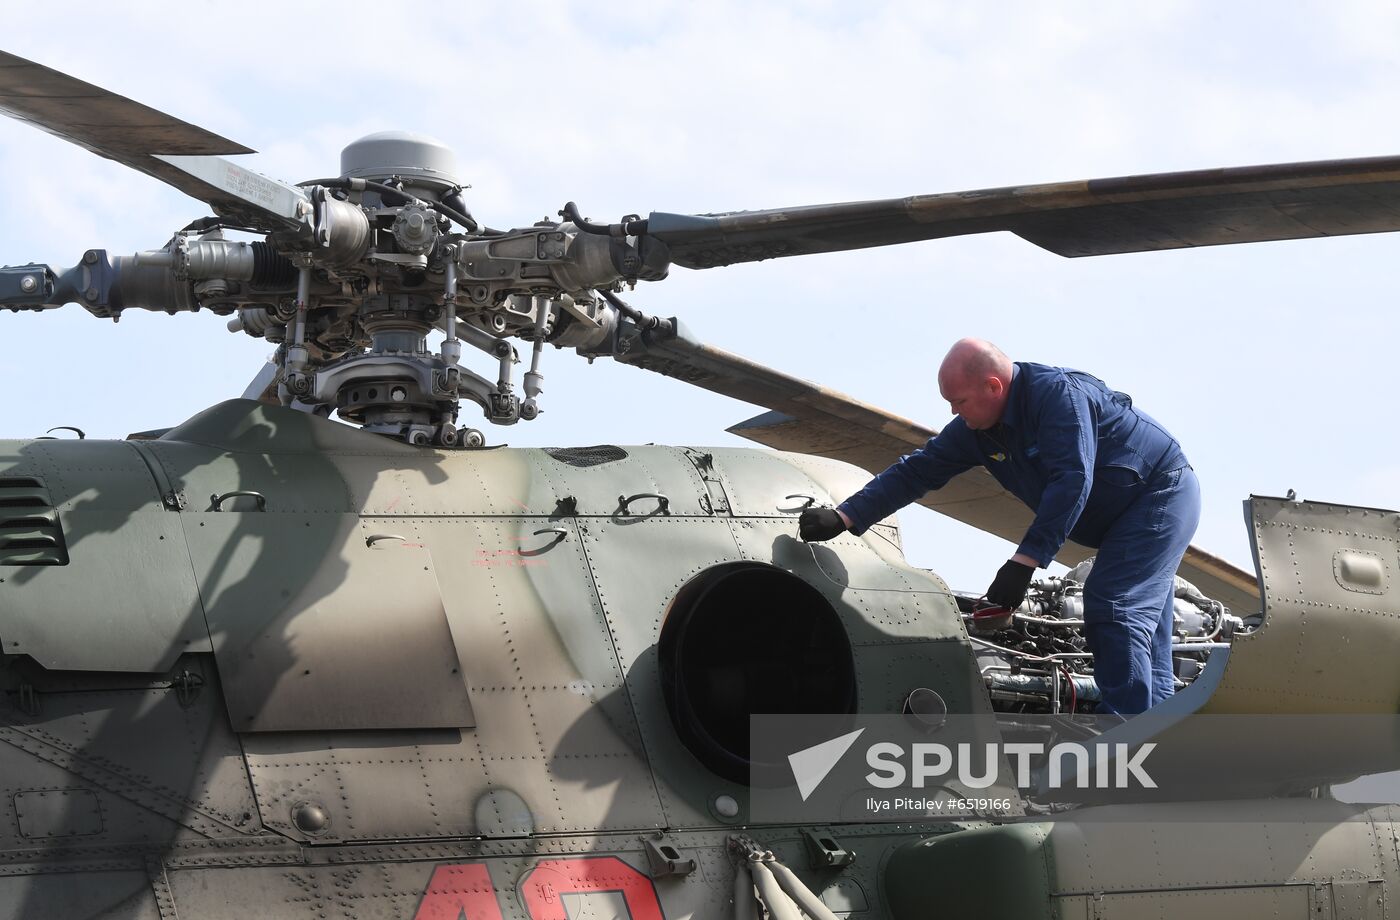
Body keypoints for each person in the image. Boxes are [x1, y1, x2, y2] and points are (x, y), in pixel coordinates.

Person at [798, 338, 1200, 715]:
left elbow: (1072, 479)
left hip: (1157, 496)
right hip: (1118, 523)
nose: (954, 412)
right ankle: (1161, 736)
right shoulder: (978, 429)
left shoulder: (1058, 398)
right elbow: (917, 471)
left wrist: (1024, 563)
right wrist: (846, 516)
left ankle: (1126, 740)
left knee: (1112, 606)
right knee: (1150, 649)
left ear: (993, 386)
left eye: (959, 401)